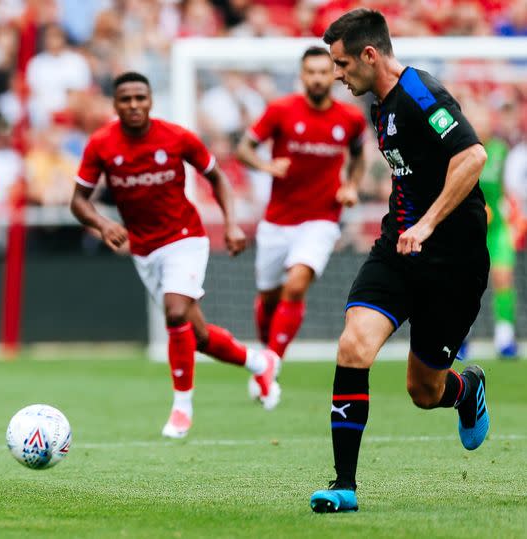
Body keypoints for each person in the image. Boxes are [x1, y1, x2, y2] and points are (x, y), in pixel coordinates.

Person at [310, 9, 490, 513]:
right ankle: (344, 485)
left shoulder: (421, 94)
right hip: (397, 250)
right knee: (353, 345)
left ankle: (466, 388)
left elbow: (472, 156)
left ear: (370, 54)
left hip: (452, 262)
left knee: (423, 390)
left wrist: (429, 223)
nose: (338, 75)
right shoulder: (379, 104)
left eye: (343, 64)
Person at [71, 71, 280, 439]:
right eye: (126, 99)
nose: (134, 105)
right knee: (194, 334)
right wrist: (104, 225)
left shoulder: (177, 136)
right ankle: (259, 362)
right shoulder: (102, 144)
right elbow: (78, 201)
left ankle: (182, 409)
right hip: (144, 249)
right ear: (116, 104)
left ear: (150, 100)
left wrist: (231, 224)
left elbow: (218, 177)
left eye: (141, 98)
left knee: (174, 311)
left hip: (185, 238)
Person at [236, 46, 366, 409]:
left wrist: (351, 185)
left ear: (334, 75)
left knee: (296, 284)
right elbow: (244, 147)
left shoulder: (350, 119)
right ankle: (267, 357)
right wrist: (265, 167)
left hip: (322, 218)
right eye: (311, 72)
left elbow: (359, 157)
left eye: (325, 71)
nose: (319, 78)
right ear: (302, 75)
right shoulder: (281, 111)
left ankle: (269, 365)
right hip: (277, 221)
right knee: (269, 298)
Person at [463, 104, 518, 359]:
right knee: (465, 286)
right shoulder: (461, 150)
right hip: (469, 231)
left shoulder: (500, 150)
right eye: (475, 121)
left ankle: (505, 338)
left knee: (503, 280)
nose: (479, 125)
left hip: (497, 230)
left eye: (483, 120)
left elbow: (509, 187)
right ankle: (461, 338)